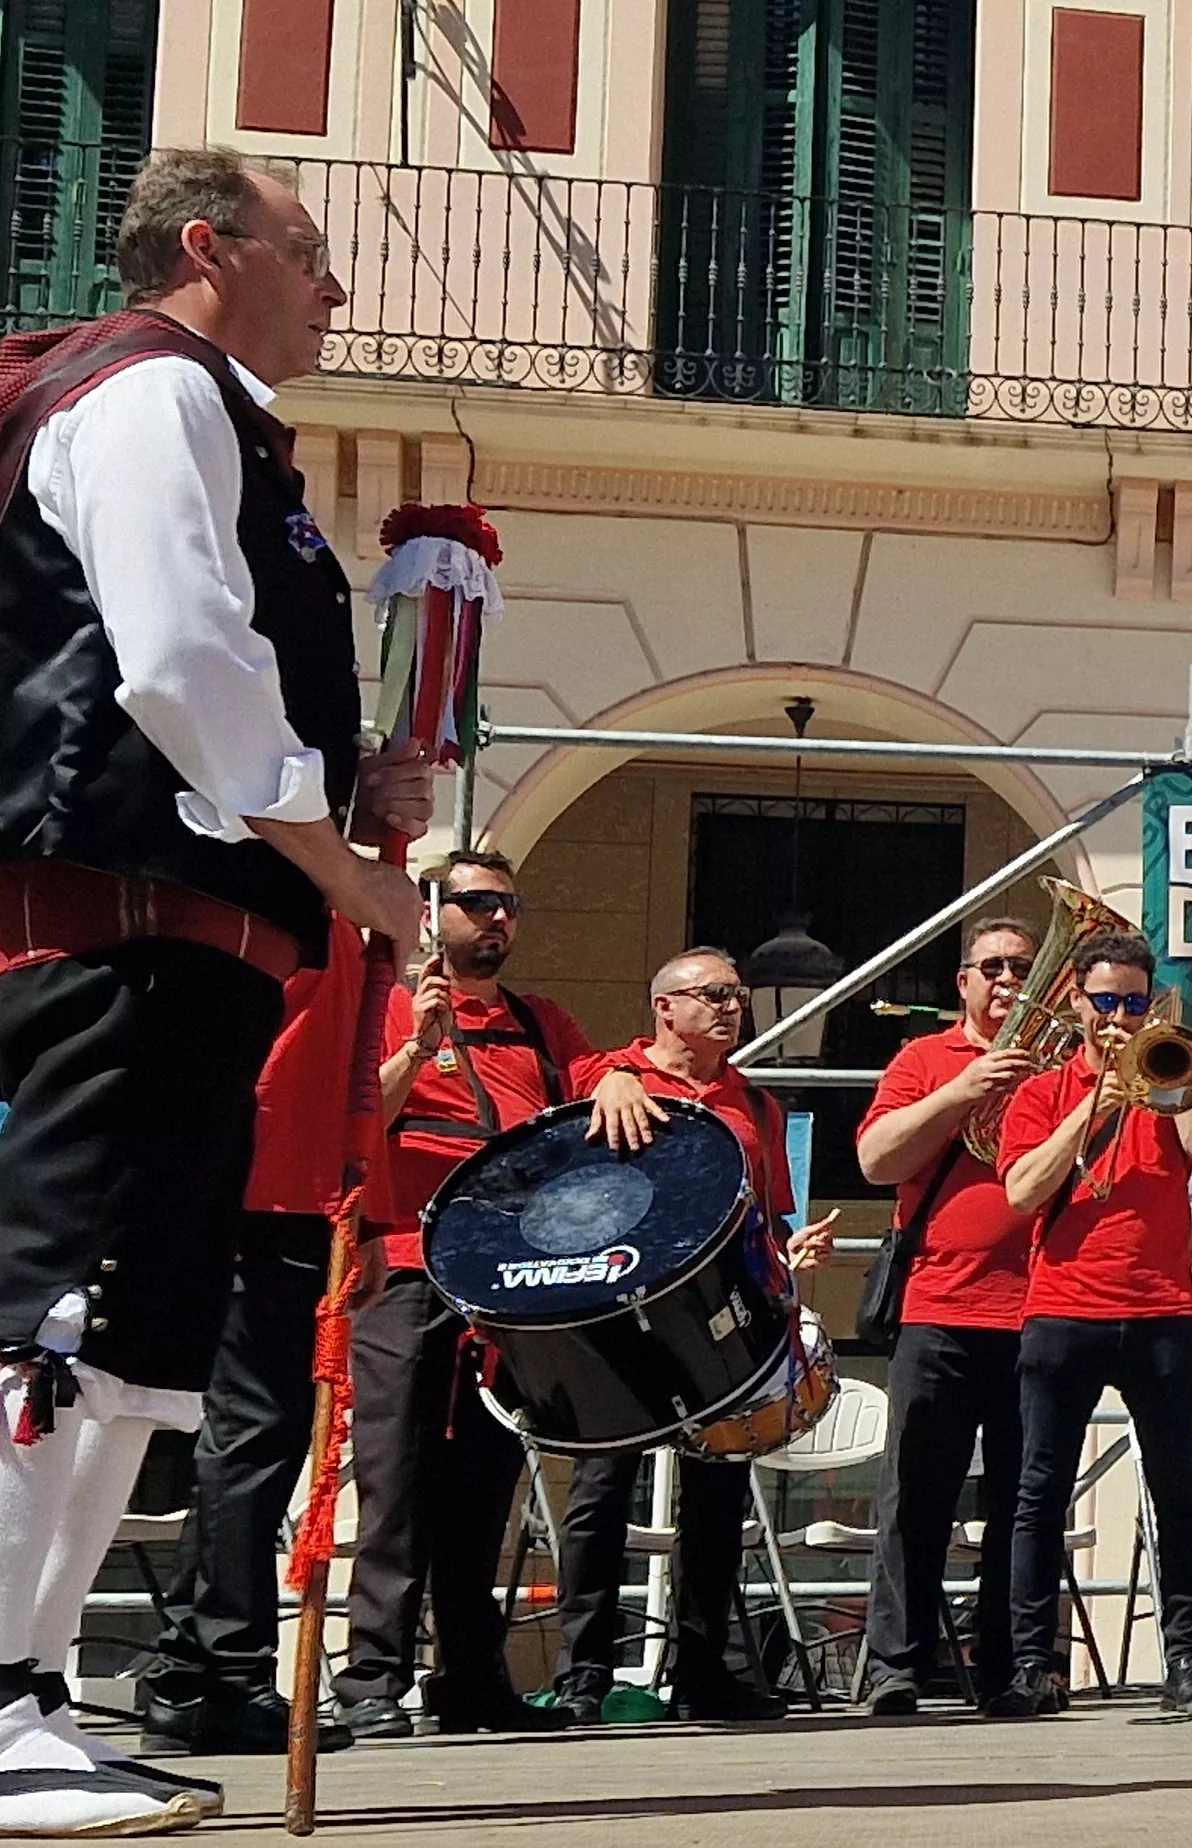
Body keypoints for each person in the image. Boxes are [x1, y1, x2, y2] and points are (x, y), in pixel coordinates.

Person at [0, 145, 434, 1839]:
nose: (334, 290)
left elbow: (225, 675)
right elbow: (177, 657)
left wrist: (349, 776)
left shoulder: (207, 416)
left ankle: (34, 1691)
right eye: (311, 253)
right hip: (117, 918)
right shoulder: (146, 392)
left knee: (131, 1334)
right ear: (209, 246)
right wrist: (343, 863)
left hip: (188, 929)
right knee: (55, 1309)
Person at [332, 852, 586, 1739]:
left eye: (510, 905)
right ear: (433, 911)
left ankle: (472, 1677)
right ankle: (371, 1680)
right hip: (405, 1265)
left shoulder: (541, 1023)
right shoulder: (385, 1005)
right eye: (478, 903)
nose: (498, 919)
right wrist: (417, 1048)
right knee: (394, 1475)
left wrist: (625, 1074)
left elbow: (599, 1094)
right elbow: (355, 1122)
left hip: (510, 1280)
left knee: (487, 1484)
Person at [552, 948, 827, 1726]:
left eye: (736, 995)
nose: (730, 1007)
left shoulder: (756, 1104)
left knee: (720, 1487)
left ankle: (704, 1671)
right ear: (664, 1008)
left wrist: (786, 1275)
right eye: (711, 994)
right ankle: (586, 1675)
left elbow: (770, 1212)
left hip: (716, 1312)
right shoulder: (613, 1075)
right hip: (617, 1310)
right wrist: (614, 1074)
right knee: (603, 1489)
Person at [999, 930, 1192, 1716]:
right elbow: (1023, 1194)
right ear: (1075, 1001)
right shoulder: (1040, 1093)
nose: (1119, 1018)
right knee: (1041, 1490)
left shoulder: (1179, 1073)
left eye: (1135, 1003)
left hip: (1163, 1311)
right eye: (1105, 1002)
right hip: (1064, 1311)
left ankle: (1184, 1662)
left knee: (1178, 1490)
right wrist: (1092, 1105)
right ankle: (1035, 1664)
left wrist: (1168, 1092)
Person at [136, 961, 367, 1757]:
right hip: (266, 1194)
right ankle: (228, 1673)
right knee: (252, 1441)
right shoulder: (310, 906)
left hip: (286, 1195)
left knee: (247, 1446)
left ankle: (189, 1670)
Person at [849, 915, 1046, 1718]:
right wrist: (964, 1090)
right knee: (915, 1497)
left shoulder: (1064, 1063)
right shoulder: (923, 1059)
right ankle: (895, 1665)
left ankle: (1007, 1666)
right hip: (940, 1307)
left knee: (1023, 1501)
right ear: (962, 983)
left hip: (1040, 1312)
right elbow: (874, 1159)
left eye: (1023, 967)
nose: (1006, 980)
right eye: (991, 967)